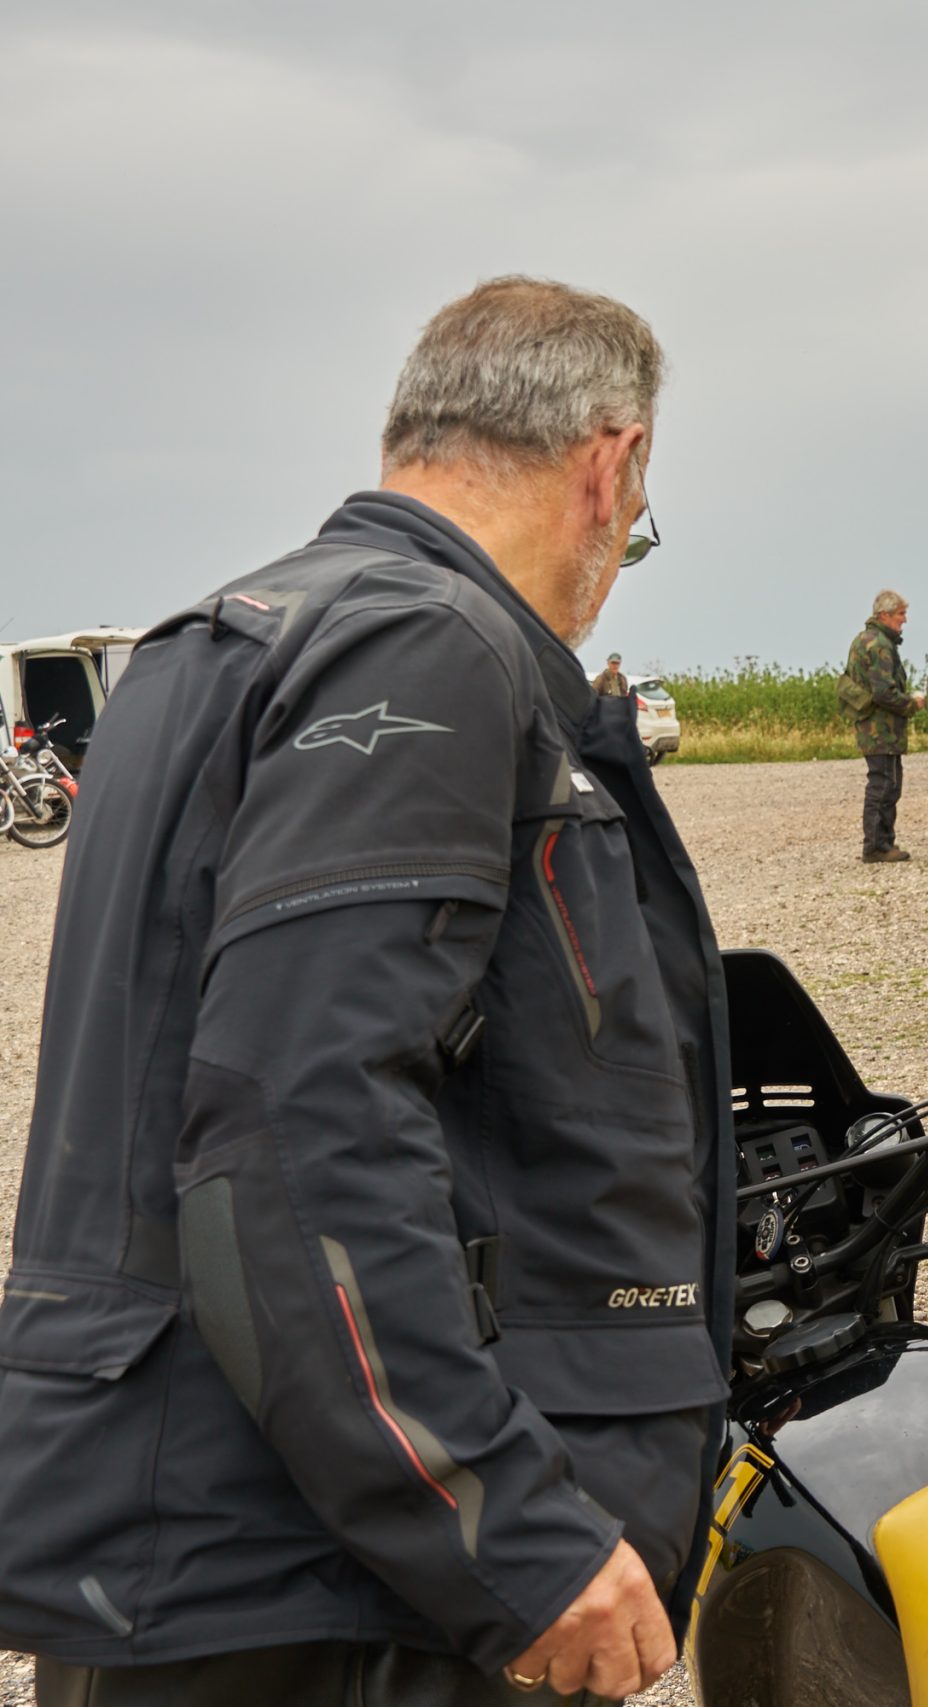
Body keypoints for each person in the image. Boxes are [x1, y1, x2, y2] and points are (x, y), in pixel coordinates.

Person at [0, 278, 723, 1705]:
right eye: (637, 522)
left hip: (188, 1544)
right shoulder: (427, 645)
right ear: (610, 462)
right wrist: (506, 1527)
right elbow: (297, 1119)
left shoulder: (205, 647)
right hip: (333, 1586)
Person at [841, 589, 923, 862]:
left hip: (874, 727)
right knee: (884, 786)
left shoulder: (864, 639)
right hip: (880, 729)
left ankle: (883, 843)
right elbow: (884, 692)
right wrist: (912, 704)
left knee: (887, 784)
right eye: (901, 614)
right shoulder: (879, 645)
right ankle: (876, 846)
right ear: (884, 615)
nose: (904, 619)